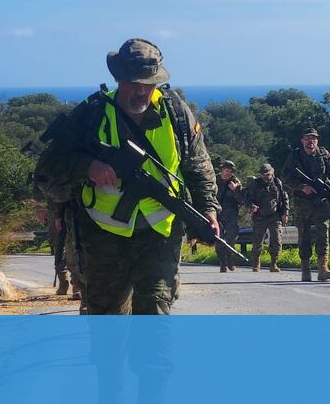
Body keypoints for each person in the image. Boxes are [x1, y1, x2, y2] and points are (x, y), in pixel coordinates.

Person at [36, 38, 220, 314]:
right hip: (102, 237)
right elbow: (49, 167)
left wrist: (208, 211)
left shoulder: (175, 113)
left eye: (148, 83)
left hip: (160, 234)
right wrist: (88, 166)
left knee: (154, 321)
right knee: (109, 326)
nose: (141, 90)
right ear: (118, 79)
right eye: (134, 82)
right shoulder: (92, 113)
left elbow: (199, 166)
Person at [281, 127, 330, 282]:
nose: (311, 141)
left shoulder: (323, 154)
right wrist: (301, 187)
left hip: (320, 201)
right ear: (302, 140)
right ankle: (305, 269)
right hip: (302, 202)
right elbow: (285, 177)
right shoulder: (295, 156)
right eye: (308, 138)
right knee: (304, 236)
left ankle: (323, 268)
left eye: (314, 138)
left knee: (324, 233)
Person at [245, 163, 288, 273]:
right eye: (264, 174)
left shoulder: (277, 183)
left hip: (275, 215)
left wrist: (285, 213)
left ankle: (274, 263)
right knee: (257, 241)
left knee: (276, 240)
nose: (266, 177)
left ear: (272, 173)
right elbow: (248, 198)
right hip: (260, 216)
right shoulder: (255, 184)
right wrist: (251, 206)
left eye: (268, 174)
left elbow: (284, 198)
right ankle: (256, 263)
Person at [216, 160, 244, 272]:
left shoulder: (235, 182)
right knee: (218, 238)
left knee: (232, 237)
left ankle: (229, 257)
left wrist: (235, 190)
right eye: (227, 170)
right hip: (216, 213)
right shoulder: (213, 179)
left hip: (231, 213)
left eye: (231, 172)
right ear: (222, 170)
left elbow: (242, 200)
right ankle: (222, 262)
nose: (229, 173)